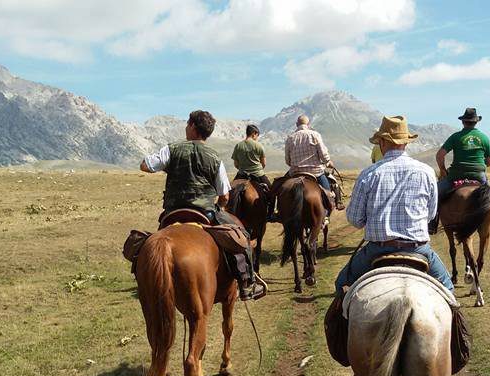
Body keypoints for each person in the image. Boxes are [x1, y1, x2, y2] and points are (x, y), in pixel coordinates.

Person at [140, 110, 267, 300]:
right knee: (241, 237)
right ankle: (247, 282)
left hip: (172, 213)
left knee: (144, 246)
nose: (185, 127)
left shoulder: (171, 149)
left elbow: (145, 165)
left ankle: (143, 279)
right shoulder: (215, 157)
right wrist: (222, 207)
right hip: (204, 213)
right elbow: (224, 195)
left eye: (187, 124)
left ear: (192, 126)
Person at [334, 115, 454, 294]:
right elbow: (430, 214)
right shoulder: (427, 172)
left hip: (377, 250)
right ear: (406, 142)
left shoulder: (369, 174)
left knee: (341, 284)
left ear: (382, 142)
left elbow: (355, 219)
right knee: (448, 290)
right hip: (418, 249)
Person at [431, 107, 490, 233]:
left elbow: (439, 155)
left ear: (463, 122)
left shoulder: (455, 137)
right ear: (476, 122)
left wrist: (443, 170)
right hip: (479, 176)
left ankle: (432, 224)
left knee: (434, 194)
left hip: (456, 175)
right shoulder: (484, 138)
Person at [283, 114, 344, 210]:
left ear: (296, 124)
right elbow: (324, 155)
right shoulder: (315, 135)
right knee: (331, 188)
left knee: (280, 188)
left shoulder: (290, 138)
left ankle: (277, 210)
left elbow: (288, 161)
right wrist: (328, 162)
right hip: (316, 173)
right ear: (308, 124)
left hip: (295, 173)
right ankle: (334, 205)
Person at [231, 124, 273, 216]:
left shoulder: (238, 146)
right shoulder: (259, 146)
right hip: (258, 174)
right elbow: (264, 163)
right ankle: (270, 213)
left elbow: (236, 164)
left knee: (230, 191)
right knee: (271, 191)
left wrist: (242, 168)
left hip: (242, 174)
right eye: (257, 135)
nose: (257, 138)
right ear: (254, 133)